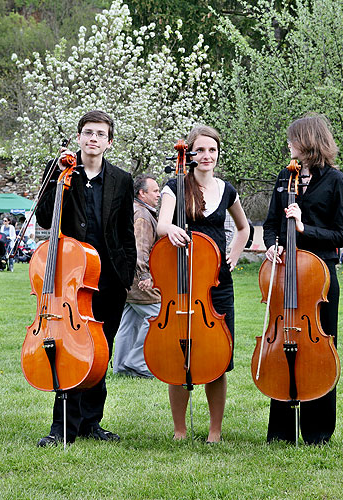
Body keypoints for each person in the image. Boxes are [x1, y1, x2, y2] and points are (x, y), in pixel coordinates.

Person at [34, 110, 136, 447]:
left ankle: (91, 423)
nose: (93, 138)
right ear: (79, 137)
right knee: (68, 351)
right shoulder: (62, 170)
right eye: (87, 132)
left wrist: (127, 275)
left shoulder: (121, 180)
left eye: (100, 134)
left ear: (109, 142)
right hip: (69, 280)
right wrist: (56, 178)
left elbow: (125, 232)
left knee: (99, 354)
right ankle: (61, 427)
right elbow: (46, 218)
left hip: (108, 279)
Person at [262, 113, 343, 445]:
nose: (289, 143)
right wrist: (274, 245)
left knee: (319, 350)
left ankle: (317, 432)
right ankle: (281, 432)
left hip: (320, 280)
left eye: (294, 138)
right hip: (286, 275)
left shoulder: (337, 182)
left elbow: (340, 234)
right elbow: (272, 222)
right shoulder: (285, 177)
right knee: (282, 342)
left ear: (310, 140)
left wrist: (303, 229)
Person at [157, 125, 250, 443]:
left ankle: (215, 430)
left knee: (217, 358)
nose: (207, 155)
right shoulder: (174, 186)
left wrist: (233, 256)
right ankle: (180, 430)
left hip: (216, 284)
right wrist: (171, 230)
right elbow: (161, 225)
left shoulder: (227, 190)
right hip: (181, 282)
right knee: (177, 353)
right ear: (190, 154)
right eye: (200, 150)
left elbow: (243, 227)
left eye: (212, 150)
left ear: (218, 153)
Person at [113, 174, 161, 378]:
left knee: (129, 320)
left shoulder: (132, 210)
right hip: (137, 279)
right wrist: (144, 275)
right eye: (155, 191)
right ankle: (137, 363)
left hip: (125, 278)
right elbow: (140, 248)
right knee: (159, 316)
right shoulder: (141, 215)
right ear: (142, 193)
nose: (159, 195)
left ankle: (121, 366)